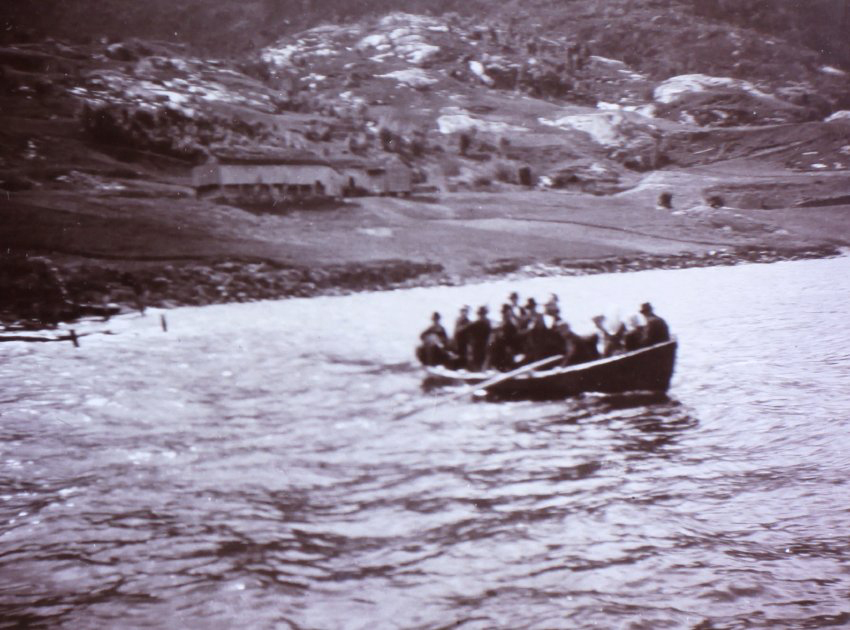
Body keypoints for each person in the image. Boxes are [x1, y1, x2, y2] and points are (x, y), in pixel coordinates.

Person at [465, 306, 492, 371]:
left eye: (483, 314)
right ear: (478, 314)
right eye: (480, 314)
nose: (482, 316)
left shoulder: (487, 324)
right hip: (475, 348)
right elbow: (467, 337)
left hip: (484, 348)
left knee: (483, 365)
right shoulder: (473, 324)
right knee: (475, 365)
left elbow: (490, 336)